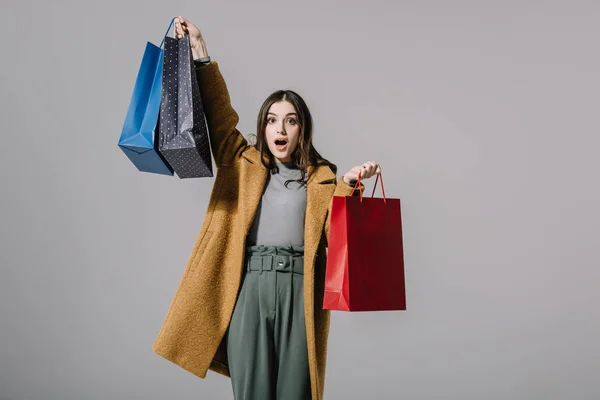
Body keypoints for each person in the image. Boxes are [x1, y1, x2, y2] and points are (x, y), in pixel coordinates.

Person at [152, 16, 381, 400]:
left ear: (302, 129)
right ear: (264, 124)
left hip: (300, 291)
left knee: (296, 392)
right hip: (249, 288)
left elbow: (336, 237)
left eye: (290, 121)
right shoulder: (241, 163)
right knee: (253, 393)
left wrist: (352, 184)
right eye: (273, 120)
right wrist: (202, 54)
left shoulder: (323, 178)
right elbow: (220, 114)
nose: (280, 129)